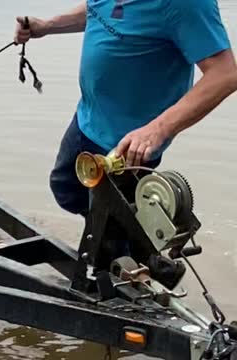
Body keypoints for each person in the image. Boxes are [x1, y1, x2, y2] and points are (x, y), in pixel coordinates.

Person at [14, 0, 237, 217]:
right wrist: (47, 26)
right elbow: (98, 8)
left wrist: (157, 130)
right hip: (87, 119)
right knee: (67, 191)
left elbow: (224, 75)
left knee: (115, 238)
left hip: (129, 147)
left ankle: (127, 247)